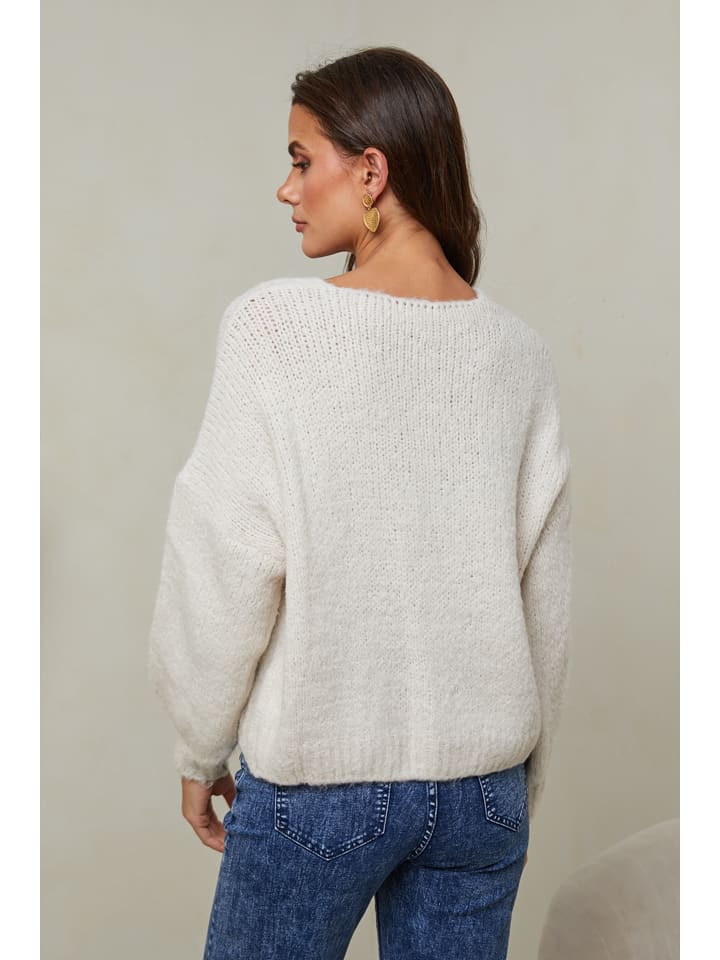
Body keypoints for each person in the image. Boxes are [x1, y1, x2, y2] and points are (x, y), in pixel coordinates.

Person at [147, 45, 573, 960]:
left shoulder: (274, 329)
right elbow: (546, 595)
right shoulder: (519, 354)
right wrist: (514, 784)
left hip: (320, 784)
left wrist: (198, 747)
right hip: (482, 790)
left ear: (371, 171)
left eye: (302, 160)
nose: (287, 189)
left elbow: (223, 556)